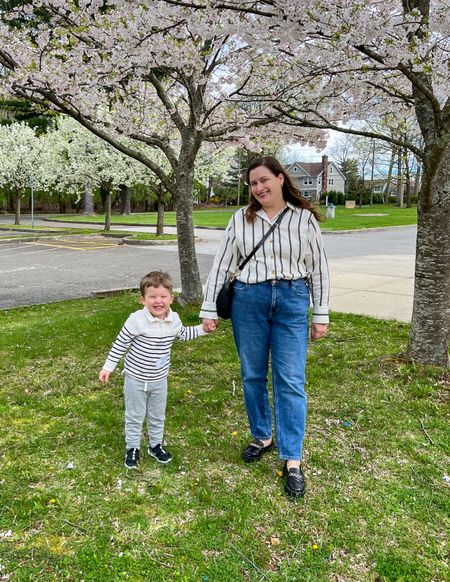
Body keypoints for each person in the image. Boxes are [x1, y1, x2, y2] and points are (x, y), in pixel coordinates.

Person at [200, 156, 329, 497]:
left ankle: (293, 458)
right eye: (252, 183)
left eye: (263, 180)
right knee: (253, 374)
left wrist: (321, 313)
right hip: (248, 301)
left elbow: (319, 270)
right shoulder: (240, 220)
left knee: (290, 379)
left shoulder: (304, 220)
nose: (258, 188)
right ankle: (262, 435)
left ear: (280, 179)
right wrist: (209, 307)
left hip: (292, 299)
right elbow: (221, 266)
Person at [99, 271, 208, 469]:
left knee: (157, 414)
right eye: (152, 297)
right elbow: (120, 344)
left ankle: (155, 444)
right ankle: (132, 447)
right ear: (143, 300)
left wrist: (203, 329)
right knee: (134, 415)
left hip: (159, 379)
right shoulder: (136, 320)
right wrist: (108, 368)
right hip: (135, 379)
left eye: (163, 296)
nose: (158, 301)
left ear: (171, 299)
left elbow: (183, 334)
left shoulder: (174, 320)